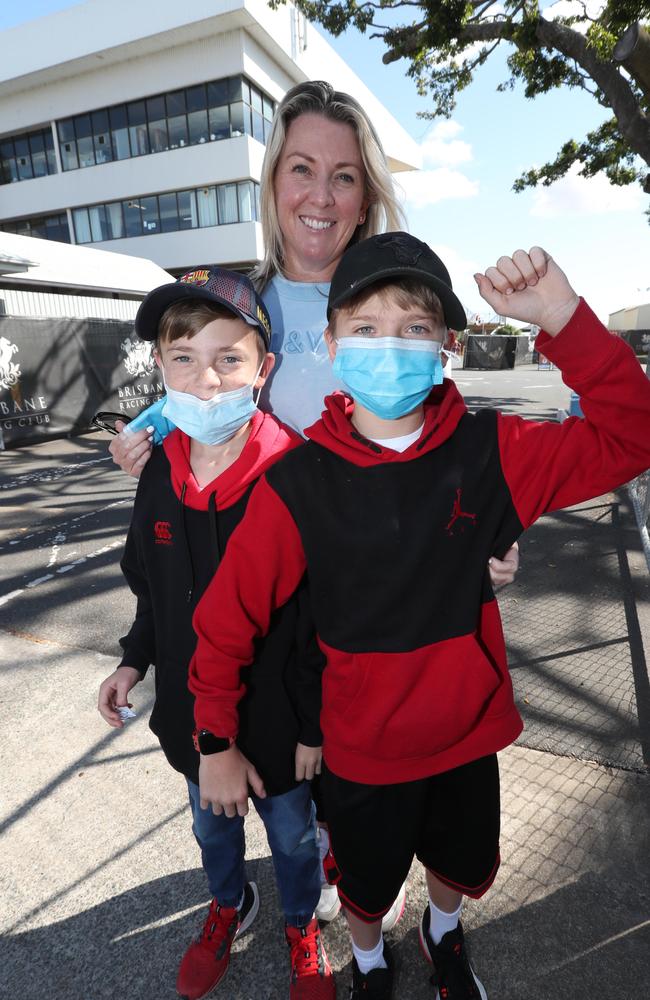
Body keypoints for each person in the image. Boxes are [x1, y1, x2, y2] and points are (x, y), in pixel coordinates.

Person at [187, 233, 650, 1000]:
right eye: (365, 330)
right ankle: (371, 964)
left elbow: (632, 435)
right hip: (362, 752)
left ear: (449, 346)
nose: (388, 346)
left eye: (413, 328)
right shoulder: (296, 482)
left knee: (457, 867)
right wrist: (214, 738)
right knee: (365, 889)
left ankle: (443, 934)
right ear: (331, 344)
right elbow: (227, 619)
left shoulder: (492, 450)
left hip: (468, 736)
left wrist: (562, 316)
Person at [106, 80, 519, 922]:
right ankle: (320, 875)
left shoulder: (391, 293)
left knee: (360, 778)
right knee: (295, 765)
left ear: (366, 191)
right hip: (269, 597)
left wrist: (490, 535)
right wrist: (141, 445)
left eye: (343, 175)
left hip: (380, 607)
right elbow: (175, 399)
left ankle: (361, 879)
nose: (321, 196)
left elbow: (453, 442)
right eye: (302, 169)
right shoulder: (239, 300)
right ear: (273, 184)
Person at [97, 266, 335, 1000]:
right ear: (160, 369)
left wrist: (313, 724)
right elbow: (157, 589)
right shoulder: (159, 471)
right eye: (183, 360)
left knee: (293, 838)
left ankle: (301, 919)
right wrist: (133, 661)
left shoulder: (295, 473)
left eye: (227, 359)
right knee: (210, 832)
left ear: (262, 369)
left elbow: (318, 619)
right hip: (196, 725)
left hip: (278, 723)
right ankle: (228, 903)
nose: (205, 382)